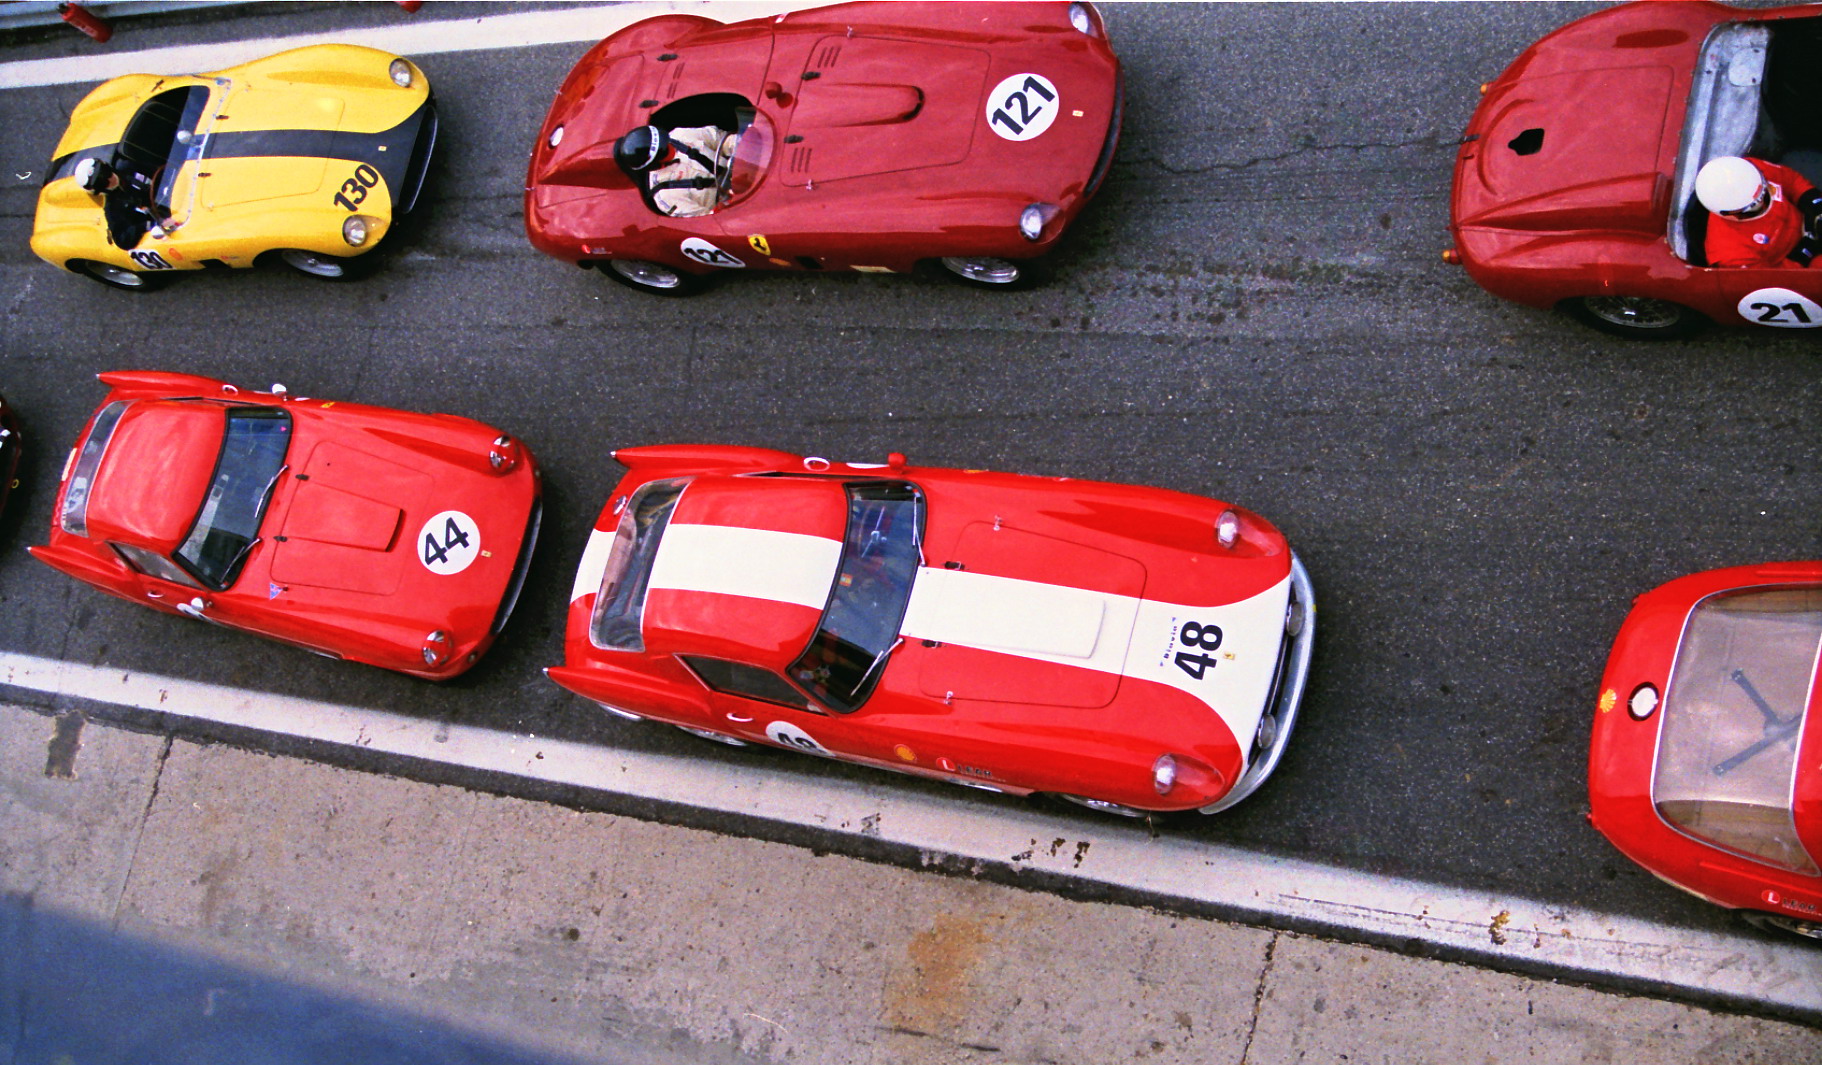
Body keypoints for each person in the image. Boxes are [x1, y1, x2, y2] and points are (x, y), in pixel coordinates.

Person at [1696, 155, 1822, 268]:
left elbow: (1791, 180)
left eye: (1765, 195)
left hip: (1807, 218)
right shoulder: (1731, 254)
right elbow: (1774, 281)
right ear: (1731, 214)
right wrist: (1806, 250)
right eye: (1754, 207)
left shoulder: (1749, 170)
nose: (1764, 205)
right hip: (1800, 262)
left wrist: (1813, 203)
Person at [613, 124, 730, 218]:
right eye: (666, 150)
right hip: (732, 206)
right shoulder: (665, 198)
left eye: (665, 141)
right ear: (654, 163)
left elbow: (725, 140)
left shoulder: (680, 135)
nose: (671, 147)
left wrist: (743, 150)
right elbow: (709, 220)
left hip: (743, 168)